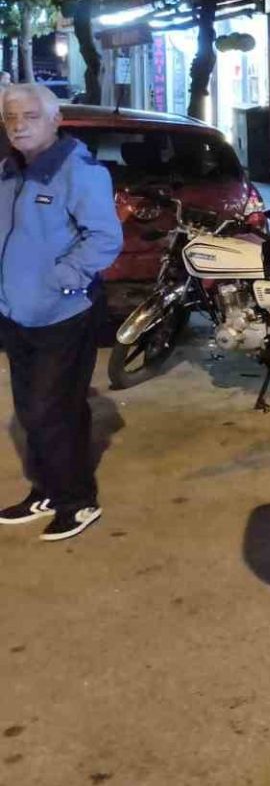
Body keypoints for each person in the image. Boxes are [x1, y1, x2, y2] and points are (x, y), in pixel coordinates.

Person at [0, 83, 122, 542]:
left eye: (30, 116)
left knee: (55, 411)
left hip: (63, 314)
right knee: (31, 412)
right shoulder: (9, 171)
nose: (18, 125)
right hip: (16, 314)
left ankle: (77, 500)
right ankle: (46, 491)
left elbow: (105, 239)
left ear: (55, 120)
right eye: (10, 116)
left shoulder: (79, 172)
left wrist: (61, 280)